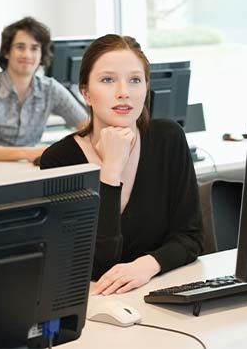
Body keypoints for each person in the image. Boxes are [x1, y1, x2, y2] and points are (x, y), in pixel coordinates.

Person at [39, 34, 203, 295]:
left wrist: (146, 266)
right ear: (86, 93)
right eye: (107, 80)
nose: (123, 92)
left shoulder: (168, 138)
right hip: (98, 305)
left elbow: (190, 238)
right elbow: (95, 265)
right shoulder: (59, 160)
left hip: (160, 292)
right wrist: (111, 172)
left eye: (135, 80)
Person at [0, 16, 87, 163]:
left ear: (41, 54)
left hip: (30, 168)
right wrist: (28, 152)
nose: (27, 55)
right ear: (6, 52)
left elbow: (85, 125)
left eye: (34, 48)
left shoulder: (50, 88)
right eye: (20, 47)